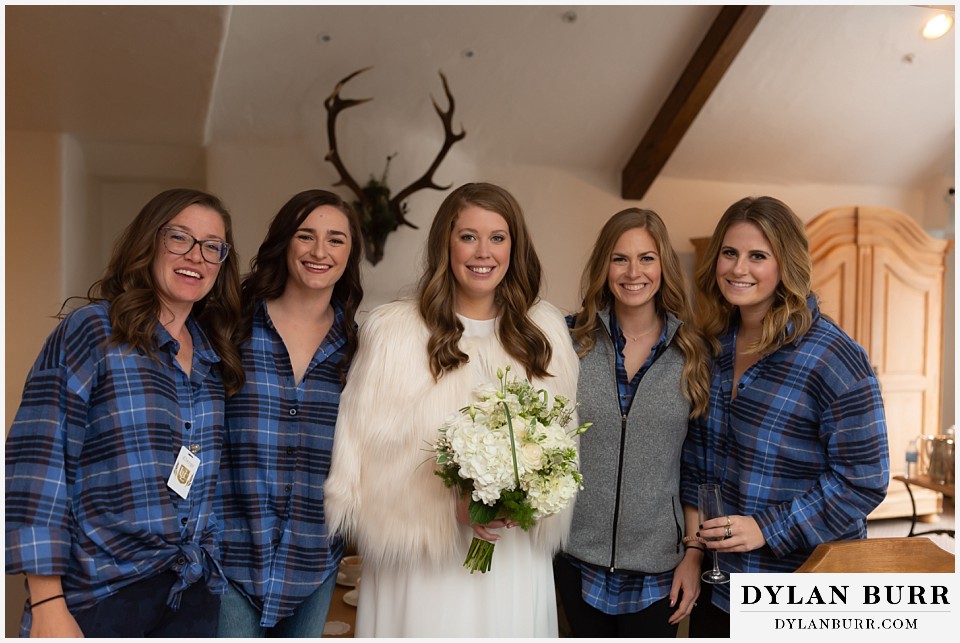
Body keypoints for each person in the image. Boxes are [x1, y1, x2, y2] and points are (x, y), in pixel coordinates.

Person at [323, 182, 580, 637]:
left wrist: (522, 499)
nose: (484, 252)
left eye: (498, 237)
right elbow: (361, 460)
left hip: (512, 555)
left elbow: (561, 449)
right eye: (468, 236)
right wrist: (450, 507)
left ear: (514, 246)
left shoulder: (545, 334)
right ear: (446, 241)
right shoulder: (394, 332)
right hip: (421, 562)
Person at [5, 188, 243, 637]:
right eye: (180, 238)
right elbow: (37, 463)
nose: (196, 255)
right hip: (101, 595)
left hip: (192, 594)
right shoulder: (94, 330)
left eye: (212, 246)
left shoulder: (215, 354)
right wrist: (47, 604)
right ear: (149, 243)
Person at [680, 196, 890, 636]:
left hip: (800, 591)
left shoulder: (834, 358)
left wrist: (766, 527)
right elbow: (700, 462)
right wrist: (694, 552)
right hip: (720, 587)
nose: (740, 269)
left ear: (786, 265)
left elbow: (864, 479)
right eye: (730, 253)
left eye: (759, 256)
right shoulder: (714, 346)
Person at [215, 189, 364, 637]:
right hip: (228, 559)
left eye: (336, 239)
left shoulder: (362, 348)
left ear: (350, 253)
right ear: (285, 243)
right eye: (306, 236)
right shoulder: (229, 325)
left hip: (314, 562)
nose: (320, 251)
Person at [556, 208, 711, 637]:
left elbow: (698, 467)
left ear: (664, 265)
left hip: (660, 568)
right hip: (572, 558)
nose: (633, 272)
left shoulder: (693, 353)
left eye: (646, 258)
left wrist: (693, 555)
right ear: (603, 265)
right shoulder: (568, 342)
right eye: (619, 258)